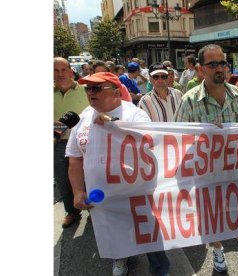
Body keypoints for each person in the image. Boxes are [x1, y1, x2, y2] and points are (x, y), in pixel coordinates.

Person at [174, 44, 238, 276]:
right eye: (213, 64)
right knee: (211, 215)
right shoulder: (189, 101)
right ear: (200, 69)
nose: (220, 68)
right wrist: (205, 136)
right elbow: (177, 139)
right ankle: (217, 250)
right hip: (207, 173)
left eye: (223, 63)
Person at [66, 72, 151, 276]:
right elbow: (75, 158)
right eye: (88, 89)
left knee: (141, 232)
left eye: (96, 88)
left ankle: (153, 262)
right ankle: (119, 257)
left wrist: (114, 124)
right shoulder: (83, 116)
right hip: (101, 194)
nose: (90, 93)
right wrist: (78, 191)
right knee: (110, 230)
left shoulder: (134, 114)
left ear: (116, 93)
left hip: (134, 193)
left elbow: (151, 141)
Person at [137, 63, 183, 276]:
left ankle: (178, 220)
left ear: (169, 77)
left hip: (180, 150)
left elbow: (186, 120)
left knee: (179, 186)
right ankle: (165, 222)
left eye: (163, 76)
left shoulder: (178, 95)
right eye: (156, 77)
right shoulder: (145, 101)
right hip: (158, 153)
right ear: (151, 80)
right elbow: (142, 128)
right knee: (162, 187)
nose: (160, 80)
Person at [53, 57, 89, 228]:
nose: (60, 74)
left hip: (85, 142)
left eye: (63, 70)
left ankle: (93, 208)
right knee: (63, 179)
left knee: (89, 177)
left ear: (70, 70)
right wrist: (56, 129)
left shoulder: (86, 90)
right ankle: (71, 211)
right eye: (55, 70)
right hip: (58, 144)